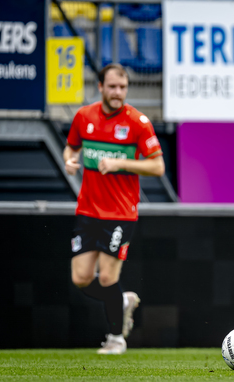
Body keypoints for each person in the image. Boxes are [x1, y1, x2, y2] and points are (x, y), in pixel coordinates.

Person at [64, 63, 165, 354]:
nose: (118, 93)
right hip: (87, 210)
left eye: (122, 87)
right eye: (112, 87)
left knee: (108, 278)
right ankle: (120, 301)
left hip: (120, 213)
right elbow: (71, 148)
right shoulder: (84, 116)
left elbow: (158, 166)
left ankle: (116, 337)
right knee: (80, 278)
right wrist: (70, 160)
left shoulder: (138, 121)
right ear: (100, 87)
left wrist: (121, 163)